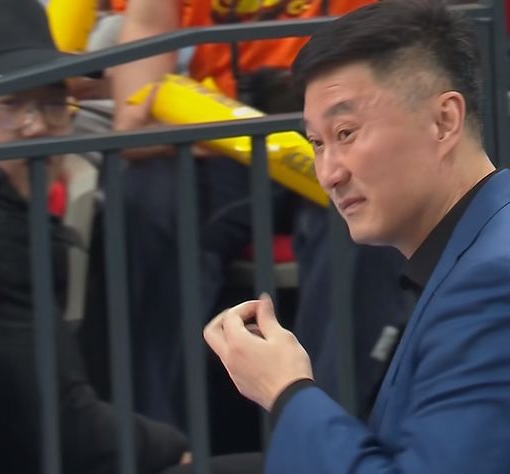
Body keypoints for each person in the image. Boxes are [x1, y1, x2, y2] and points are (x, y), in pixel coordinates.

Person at [203, 1, 510, 473]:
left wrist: (286, 390)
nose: (328, 173)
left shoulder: (500, 281)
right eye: (317, 143)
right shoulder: (497, 244)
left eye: (346, 133)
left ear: (444, 121)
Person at [107, 0, 410, 432]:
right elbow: (132, 124)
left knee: (368, 207)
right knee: (144, 198)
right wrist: (217, 127)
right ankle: (158, 441)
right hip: (221, 140)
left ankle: (326, 432)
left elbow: (403, 72)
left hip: (343, 133)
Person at [0, 0, 194, 472]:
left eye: (52, 104)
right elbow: (68, 431)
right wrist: (172, 446)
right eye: (10, 104)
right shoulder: (6, 240)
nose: (37, 128)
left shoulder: (25, 225)